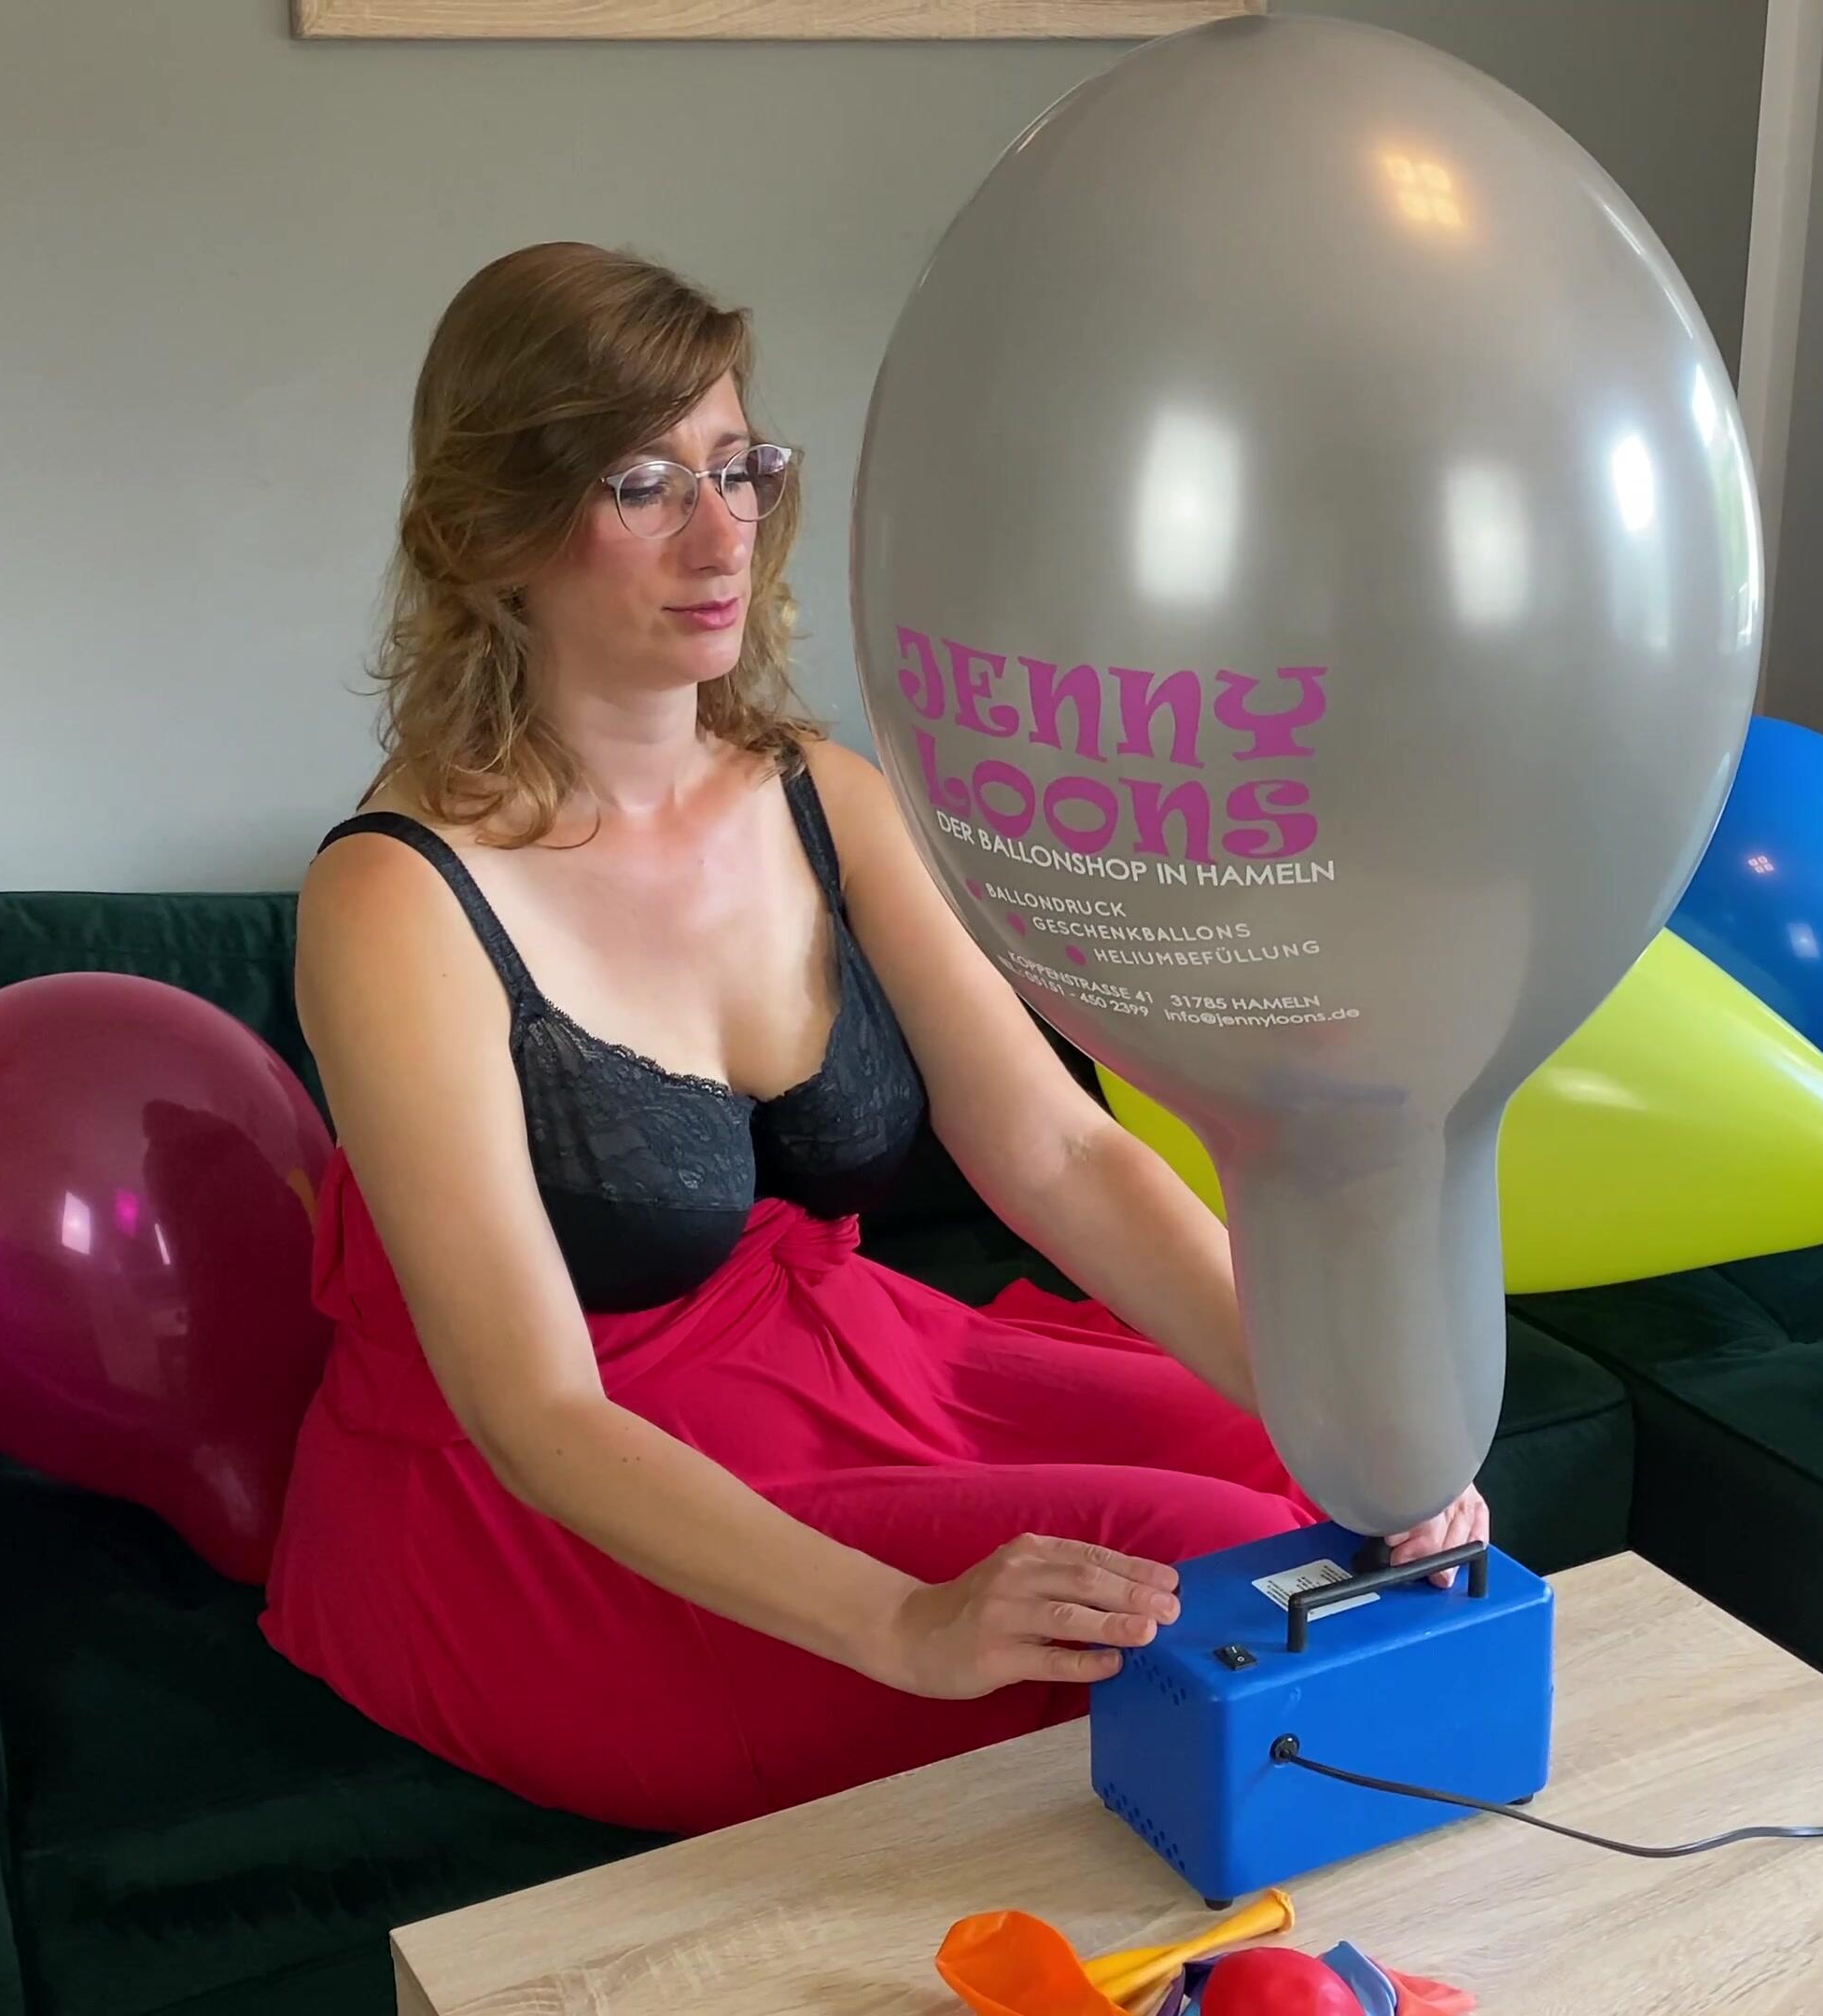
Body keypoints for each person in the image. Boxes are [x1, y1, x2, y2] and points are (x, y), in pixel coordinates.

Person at [259, 243, 1486, 1834]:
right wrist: (906, 1623)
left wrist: (1351, 1423)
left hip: (847, 1362)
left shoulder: (822, 797)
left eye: (736, 467)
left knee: (1298, 1470)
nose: (722, 536)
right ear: (490, 530)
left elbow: (1059, 1152)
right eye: (643, 486)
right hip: (561, 1510)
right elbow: (532, 1411)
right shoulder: (397, 899)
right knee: (1193, 1566)